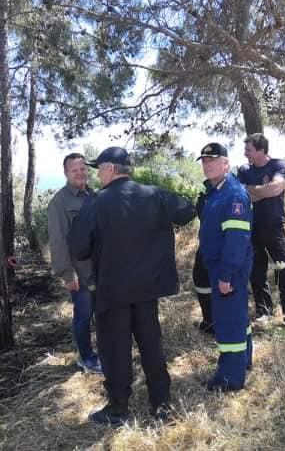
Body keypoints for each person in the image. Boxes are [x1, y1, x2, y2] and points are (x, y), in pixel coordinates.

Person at [68, 146, 195, 425]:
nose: (97, 175)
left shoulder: (97, 202)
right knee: (151, 345)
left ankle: (118, 408)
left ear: (110, 169)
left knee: (115, 350)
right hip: (147, 289)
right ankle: (161, 403)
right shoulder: (154, 194)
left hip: (112, 291)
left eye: (99, 169)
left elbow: (78, 248)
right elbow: (187, 210)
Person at [197, 142, 253, 391]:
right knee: (237, 316)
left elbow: (236, 239)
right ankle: (243, 361)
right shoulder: (217, 191)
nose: (207, 165)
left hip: (228, 267)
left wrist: (226, 274)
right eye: (204, 161)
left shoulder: (233, 195)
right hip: (222, 266)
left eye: (213, 160)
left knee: (228, 321)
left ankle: (230, 378)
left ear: (226, 164)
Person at [237, 133, 285, 326]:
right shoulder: (244, 170)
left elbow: (275, 189)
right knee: (256, 272)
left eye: (249, 150)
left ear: (261, 150)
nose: (245, 153)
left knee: (284, 270)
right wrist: (263, 190)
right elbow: (241, 195)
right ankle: (263, 312)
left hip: (274, 228)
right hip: (252, 228)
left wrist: (253, 190)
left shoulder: (278, 165)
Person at [47, 153, 101, 374]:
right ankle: (86, 358)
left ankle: (104, 352)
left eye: (82, 169)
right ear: (66, 173)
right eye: (74, 170)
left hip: (100, 269)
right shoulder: (59, 202)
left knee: (102, 313)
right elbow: (58, 241)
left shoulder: (94, 195)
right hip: (80, 272)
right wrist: (67, 274)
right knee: (84, 315)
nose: (79, 173)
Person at [192, 191, 213, 334]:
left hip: (222, 246)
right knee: (201, 279)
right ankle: (209, 321)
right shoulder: (206, 192)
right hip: (207, 244)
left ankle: (217, 323)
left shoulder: (232, 191)